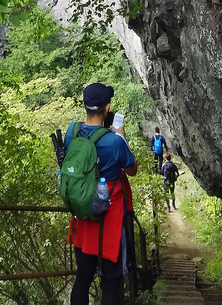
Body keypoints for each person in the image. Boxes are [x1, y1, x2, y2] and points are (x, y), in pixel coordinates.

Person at [64, 82, 138, 305]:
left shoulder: (71, 132)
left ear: (85, 106)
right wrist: (122, 136)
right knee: (111, 283)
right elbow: (132, 169)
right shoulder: (114, 142)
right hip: (109, 221)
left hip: (82, 215)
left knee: (82, 278)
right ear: (107, 109)